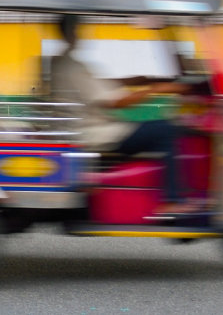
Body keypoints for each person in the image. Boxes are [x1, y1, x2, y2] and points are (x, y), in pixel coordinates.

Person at [48, 12, 196, 216]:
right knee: (167, 130)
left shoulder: (61, 62)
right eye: (78, 29)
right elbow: (115, 102)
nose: (80, 34)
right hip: (96, 133)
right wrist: (158, 89)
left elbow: (95, 85)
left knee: (161, 129)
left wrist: (136, 81)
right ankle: (171, 200)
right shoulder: (73, 67)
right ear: (73, 32)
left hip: (84, 129)